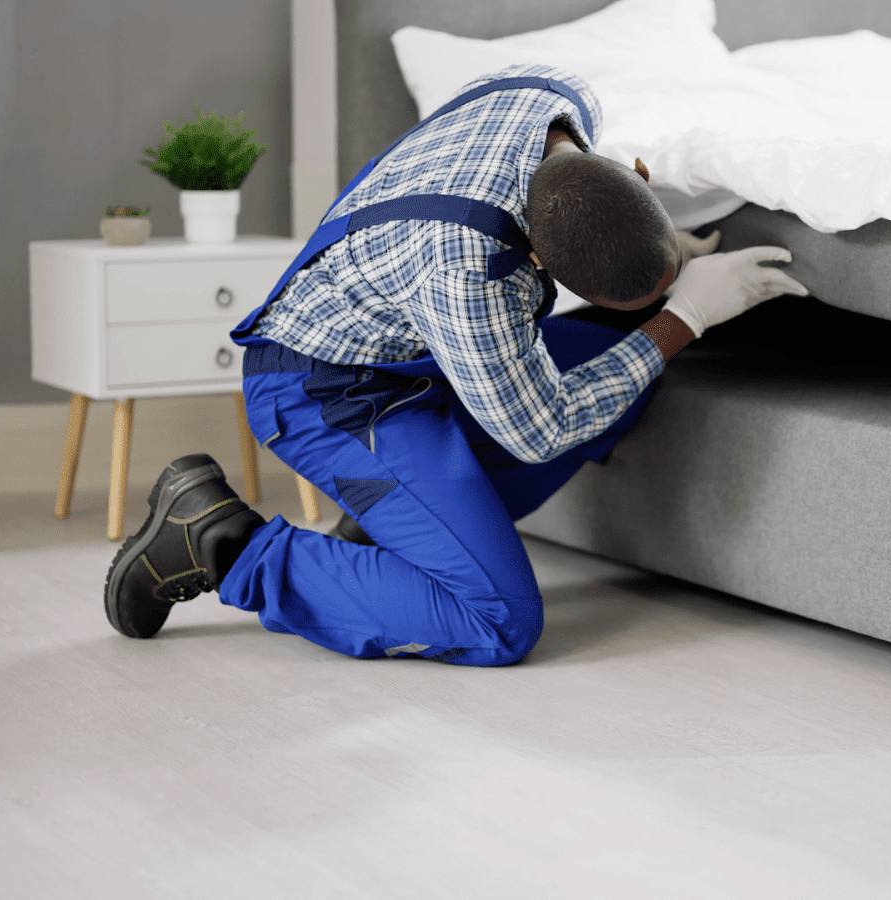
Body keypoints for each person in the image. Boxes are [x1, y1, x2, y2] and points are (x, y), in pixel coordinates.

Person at [102, 64, 807, 665]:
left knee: (614, 367)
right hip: (325, 395)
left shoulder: (546, 95)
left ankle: (394, 535)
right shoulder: (466, 274)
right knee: (500, 620)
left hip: (414, 356)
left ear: (635, 175)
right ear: (538, 260)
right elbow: (539, 432)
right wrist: (685, 317)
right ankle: (221, 545)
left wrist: (668, 249)